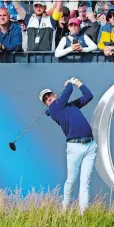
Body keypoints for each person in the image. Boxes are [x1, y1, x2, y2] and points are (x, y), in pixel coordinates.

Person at [40, 77, 97, 215]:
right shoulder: (54, 110)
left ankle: (83, 213)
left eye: (50, 95)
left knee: (85, 181)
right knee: (71, 180)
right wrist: (70, 83)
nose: (49, 99)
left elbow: (89, 96)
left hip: (90, 145)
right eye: (46, 99)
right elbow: (69, 90)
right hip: (74, 148)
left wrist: (79, 84)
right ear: (47, 104)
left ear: (55, 95)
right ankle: (64, 210)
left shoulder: (71, 106)